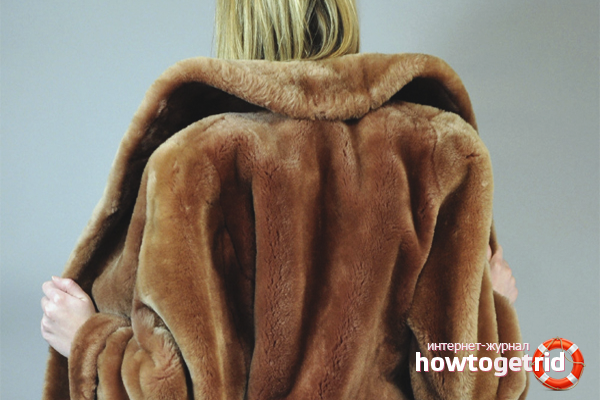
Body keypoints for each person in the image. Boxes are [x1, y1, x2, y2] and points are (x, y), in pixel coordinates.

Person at [41, 0, 521, 398]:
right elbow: (468, 384)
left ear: (238, 21)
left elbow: (171, 390)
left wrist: (87, 340)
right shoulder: (441, 150)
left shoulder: (192, 162)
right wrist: (492, 304)